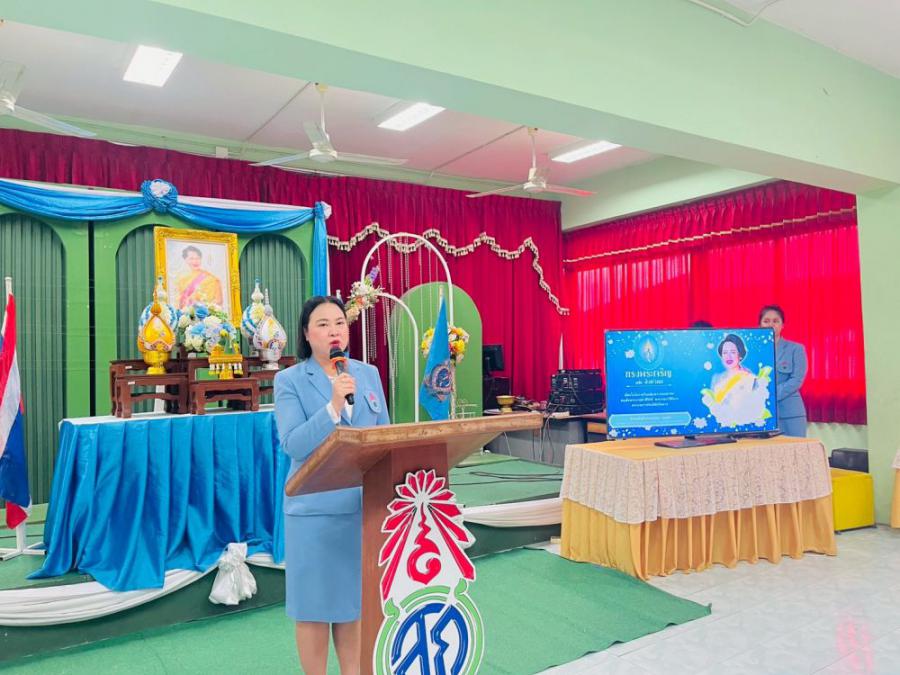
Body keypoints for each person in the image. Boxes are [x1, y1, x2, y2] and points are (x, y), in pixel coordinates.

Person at [274, 296, 390, 675]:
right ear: (307, 335)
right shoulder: (290, 380)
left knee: (351, 607)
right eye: (322, 324)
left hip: (362, 511)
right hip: (315, 513)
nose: (333, 331)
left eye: (339, 322)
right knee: (313, 609)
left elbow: (384, 436)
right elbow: (293, 443)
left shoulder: (368, 374)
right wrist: (333, 408)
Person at [701, 333, 772, 428]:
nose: (728, 356)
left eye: (733, 352)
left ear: (740, 355)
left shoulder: (750, 379)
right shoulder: (717, 378)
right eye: (725, 353)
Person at [759, 304, 808, 437]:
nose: (771, 324)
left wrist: (771, 394)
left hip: (790, 414)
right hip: (762, 413)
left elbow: (797, 380)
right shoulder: (753, 352)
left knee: (795, 449)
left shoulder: (796, 349)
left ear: (782, 325)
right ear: (760, 325)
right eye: (766, 321)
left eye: (776, 321)